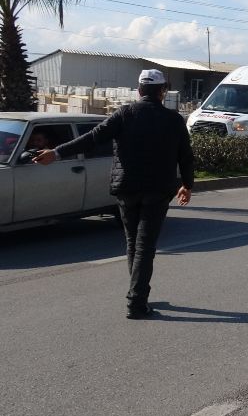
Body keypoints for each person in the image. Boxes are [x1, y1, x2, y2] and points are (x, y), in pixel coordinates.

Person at [34, 69, 194, 319]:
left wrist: (56, 153)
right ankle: (137, 301)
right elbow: (185, 155)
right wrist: (187, 184)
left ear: (139, 90)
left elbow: (92, 139)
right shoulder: (173, 119)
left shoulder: (125, 114)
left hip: (126, 188)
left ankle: (137, 294)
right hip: (157, 191)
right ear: (162, 92)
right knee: (144, 247)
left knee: (134, 244)